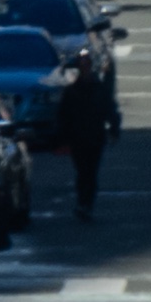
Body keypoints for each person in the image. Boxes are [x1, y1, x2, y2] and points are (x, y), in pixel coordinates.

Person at [63, 48, 113, 218]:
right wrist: (62, 136)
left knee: (90, 172)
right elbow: (63, 115)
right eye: (81, 65)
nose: (84, 68)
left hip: (95, 137)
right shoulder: (71, 91)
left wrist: (114, 128)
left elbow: (110, 109)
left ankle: (87, 203)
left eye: (86, 64)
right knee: (82, 171)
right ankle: (82, 202)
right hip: (77, 138)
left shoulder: (99, 88)